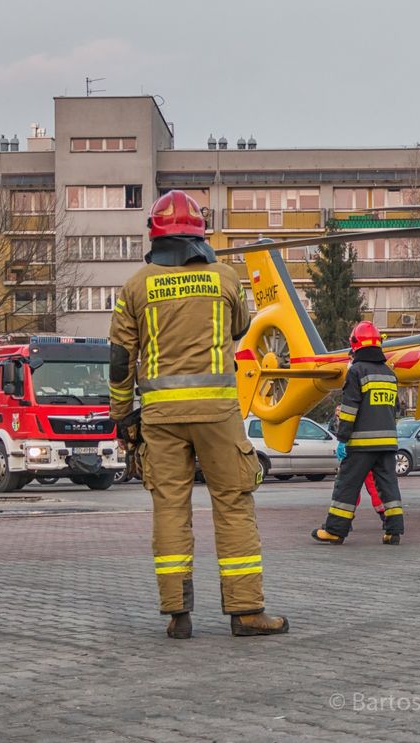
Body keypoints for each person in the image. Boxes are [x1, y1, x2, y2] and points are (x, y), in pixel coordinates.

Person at [109, 190, 288, 640]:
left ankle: (177, 614)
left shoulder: (135, 287)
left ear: (154, 234)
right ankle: (246, 612)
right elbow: (240, 326)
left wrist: (121, 415)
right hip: (217, 415)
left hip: (159, 419)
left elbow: (119, 359)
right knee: (233, 504)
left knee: (169, 509)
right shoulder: (225, 279)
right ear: (200, 235)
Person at [312, 321, 404, 545]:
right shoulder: (390, 374)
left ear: (355, 345)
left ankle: (335, 530)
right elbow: (396, 409)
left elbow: (350, 409)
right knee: (388, 486)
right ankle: (393, 531)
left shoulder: (357, 371)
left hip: (361, 444)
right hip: (388, 444)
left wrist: (342, 438)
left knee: (346, 485)